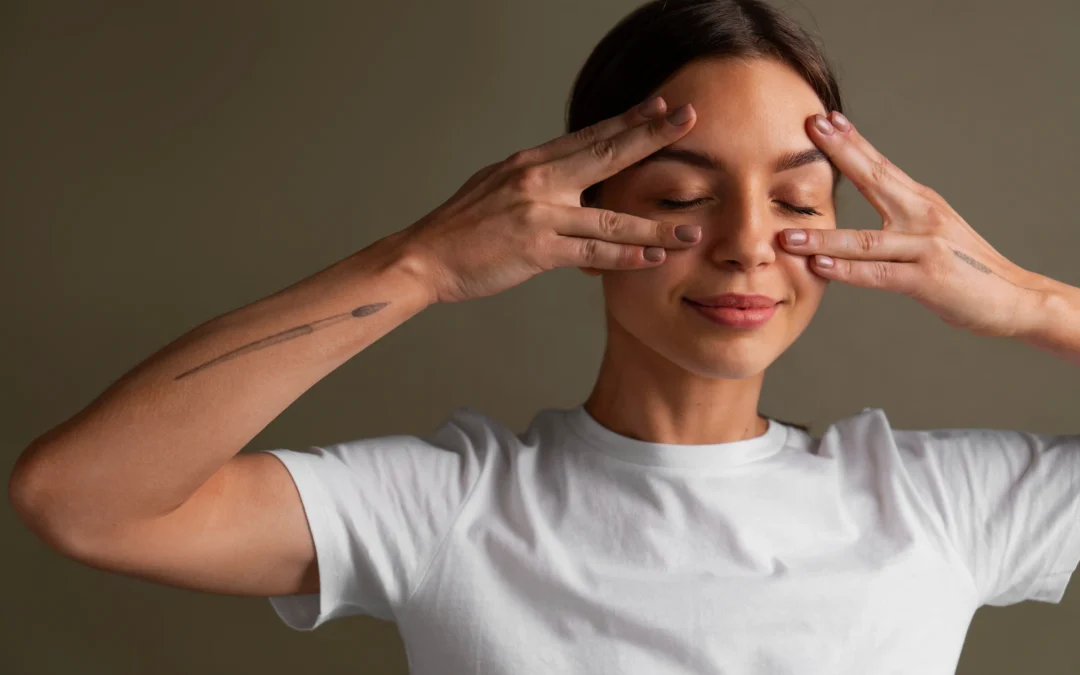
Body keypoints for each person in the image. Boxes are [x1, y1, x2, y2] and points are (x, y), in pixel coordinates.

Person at [9, 0, 1080, 673]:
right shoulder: (447, 507)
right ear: (575, 214)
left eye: (800, 203)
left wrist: (1035, 302)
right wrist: (419, 264)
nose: (749, 244)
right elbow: (79, 500)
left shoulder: (943, 504)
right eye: (678, 196)